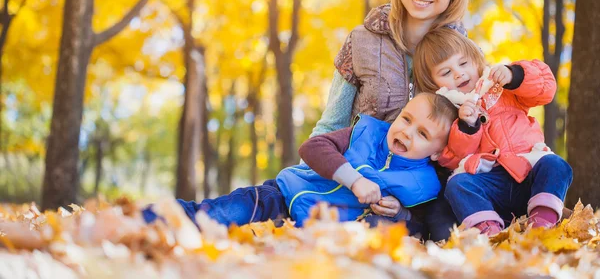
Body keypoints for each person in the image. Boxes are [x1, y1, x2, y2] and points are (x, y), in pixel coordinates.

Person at [310, 0, 470, 240]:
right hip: (351, 180)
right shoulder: (362, 40)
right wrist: (310, 172)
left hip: (418, 199)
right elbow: (332, 123)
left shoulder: (463, 58)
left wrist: (408, 202)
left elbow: (465, 144)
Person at [143, 93, 458, 232]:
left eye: (422, 133)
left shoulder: (425, 184)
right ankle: (158, 217)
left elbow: (425, 226)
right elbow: (313, 147)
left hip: (320, 229)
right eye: (406, 119)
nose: (406, 131)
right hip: (282, 196)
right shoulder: (365, 133)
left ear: (435, 152)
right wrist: (354, 179)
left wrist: (401, 213)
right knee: (225, 213)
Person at [413, 27, 573, 236]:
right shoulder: (450, 112)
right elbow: (451, 159)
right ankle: (489, 231)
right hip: (490, 184)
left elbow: (545, 88)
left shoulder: (502, 88)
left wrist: (515, 75)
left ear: (475, 61)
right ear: (433, 84)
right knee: (457, 185)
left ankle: (542, 223)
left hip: (528, 170)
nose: (459, 73)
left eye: (463, 63)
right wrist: (467, 126)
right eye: (446, 72)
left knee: (556, 165)